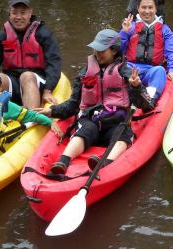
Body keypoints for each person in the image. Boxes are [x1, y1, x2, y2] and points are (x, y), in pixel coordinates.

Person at [45, 29, 155, 175]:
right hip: (91, 121)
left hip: (115, 123)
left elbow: (146, 105)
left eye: (102, 50)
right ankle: (63, 161)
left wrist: (136, 87)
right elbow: (73, 104)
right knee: (85, 129)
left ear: (114, 51)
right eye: (96, 49)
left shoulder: (125, 73)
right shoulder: (85, 72)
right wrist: (53, 110)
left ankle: (105, 164)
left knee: (122, 134)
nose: (97, 53)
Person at [0, 0, 62, 109]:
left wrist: (48, 90)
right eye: (14, 13)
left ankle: (31, 119)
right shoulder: (2, 37)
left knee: (26, 76)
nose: (18, 17)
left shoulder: (43, 33)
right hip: (13, 83)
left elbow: (54, 63)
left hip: (37, 80)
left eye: (23, 13)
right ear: (10, 14)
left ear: (30, 14)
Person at [120, 0, 173, 100]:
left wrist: (172, 70)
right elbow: (118, 52)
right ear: (138, 8)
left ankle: (149, 99)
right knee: (118, 70)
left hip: (151, 71)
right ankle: (121, 98)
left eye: (150, 7)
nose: (147, 11)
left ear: (156, 9)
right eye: (143, 7)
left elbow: (172, 51)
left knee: (160, 71)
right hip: (129, 69)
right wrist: (124, 33)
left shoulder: (164, 30)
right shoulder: (130, 27)